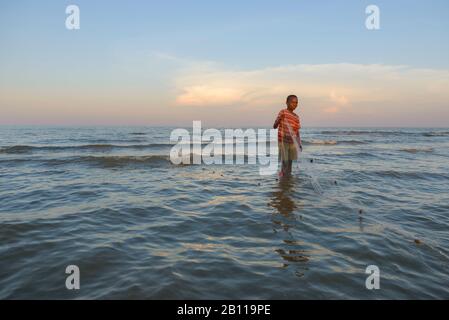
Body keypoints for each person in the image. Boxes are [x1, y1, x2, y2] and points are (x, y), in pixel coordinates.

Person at [273, 95, 302, 177]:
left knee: (290, 162)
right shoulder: (283, 112)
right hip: (283, 141)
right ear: (287, 102)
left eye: (296, 103)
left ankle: (287, 179)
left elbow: (297, 132)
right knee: (285, 161)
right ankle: (282, 178)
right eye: (292, 102)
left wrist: (299, 144)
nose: (295, 104)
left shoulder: (296, 117)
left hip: (292, 143)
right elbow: (274, 126)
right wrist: (279, 120)